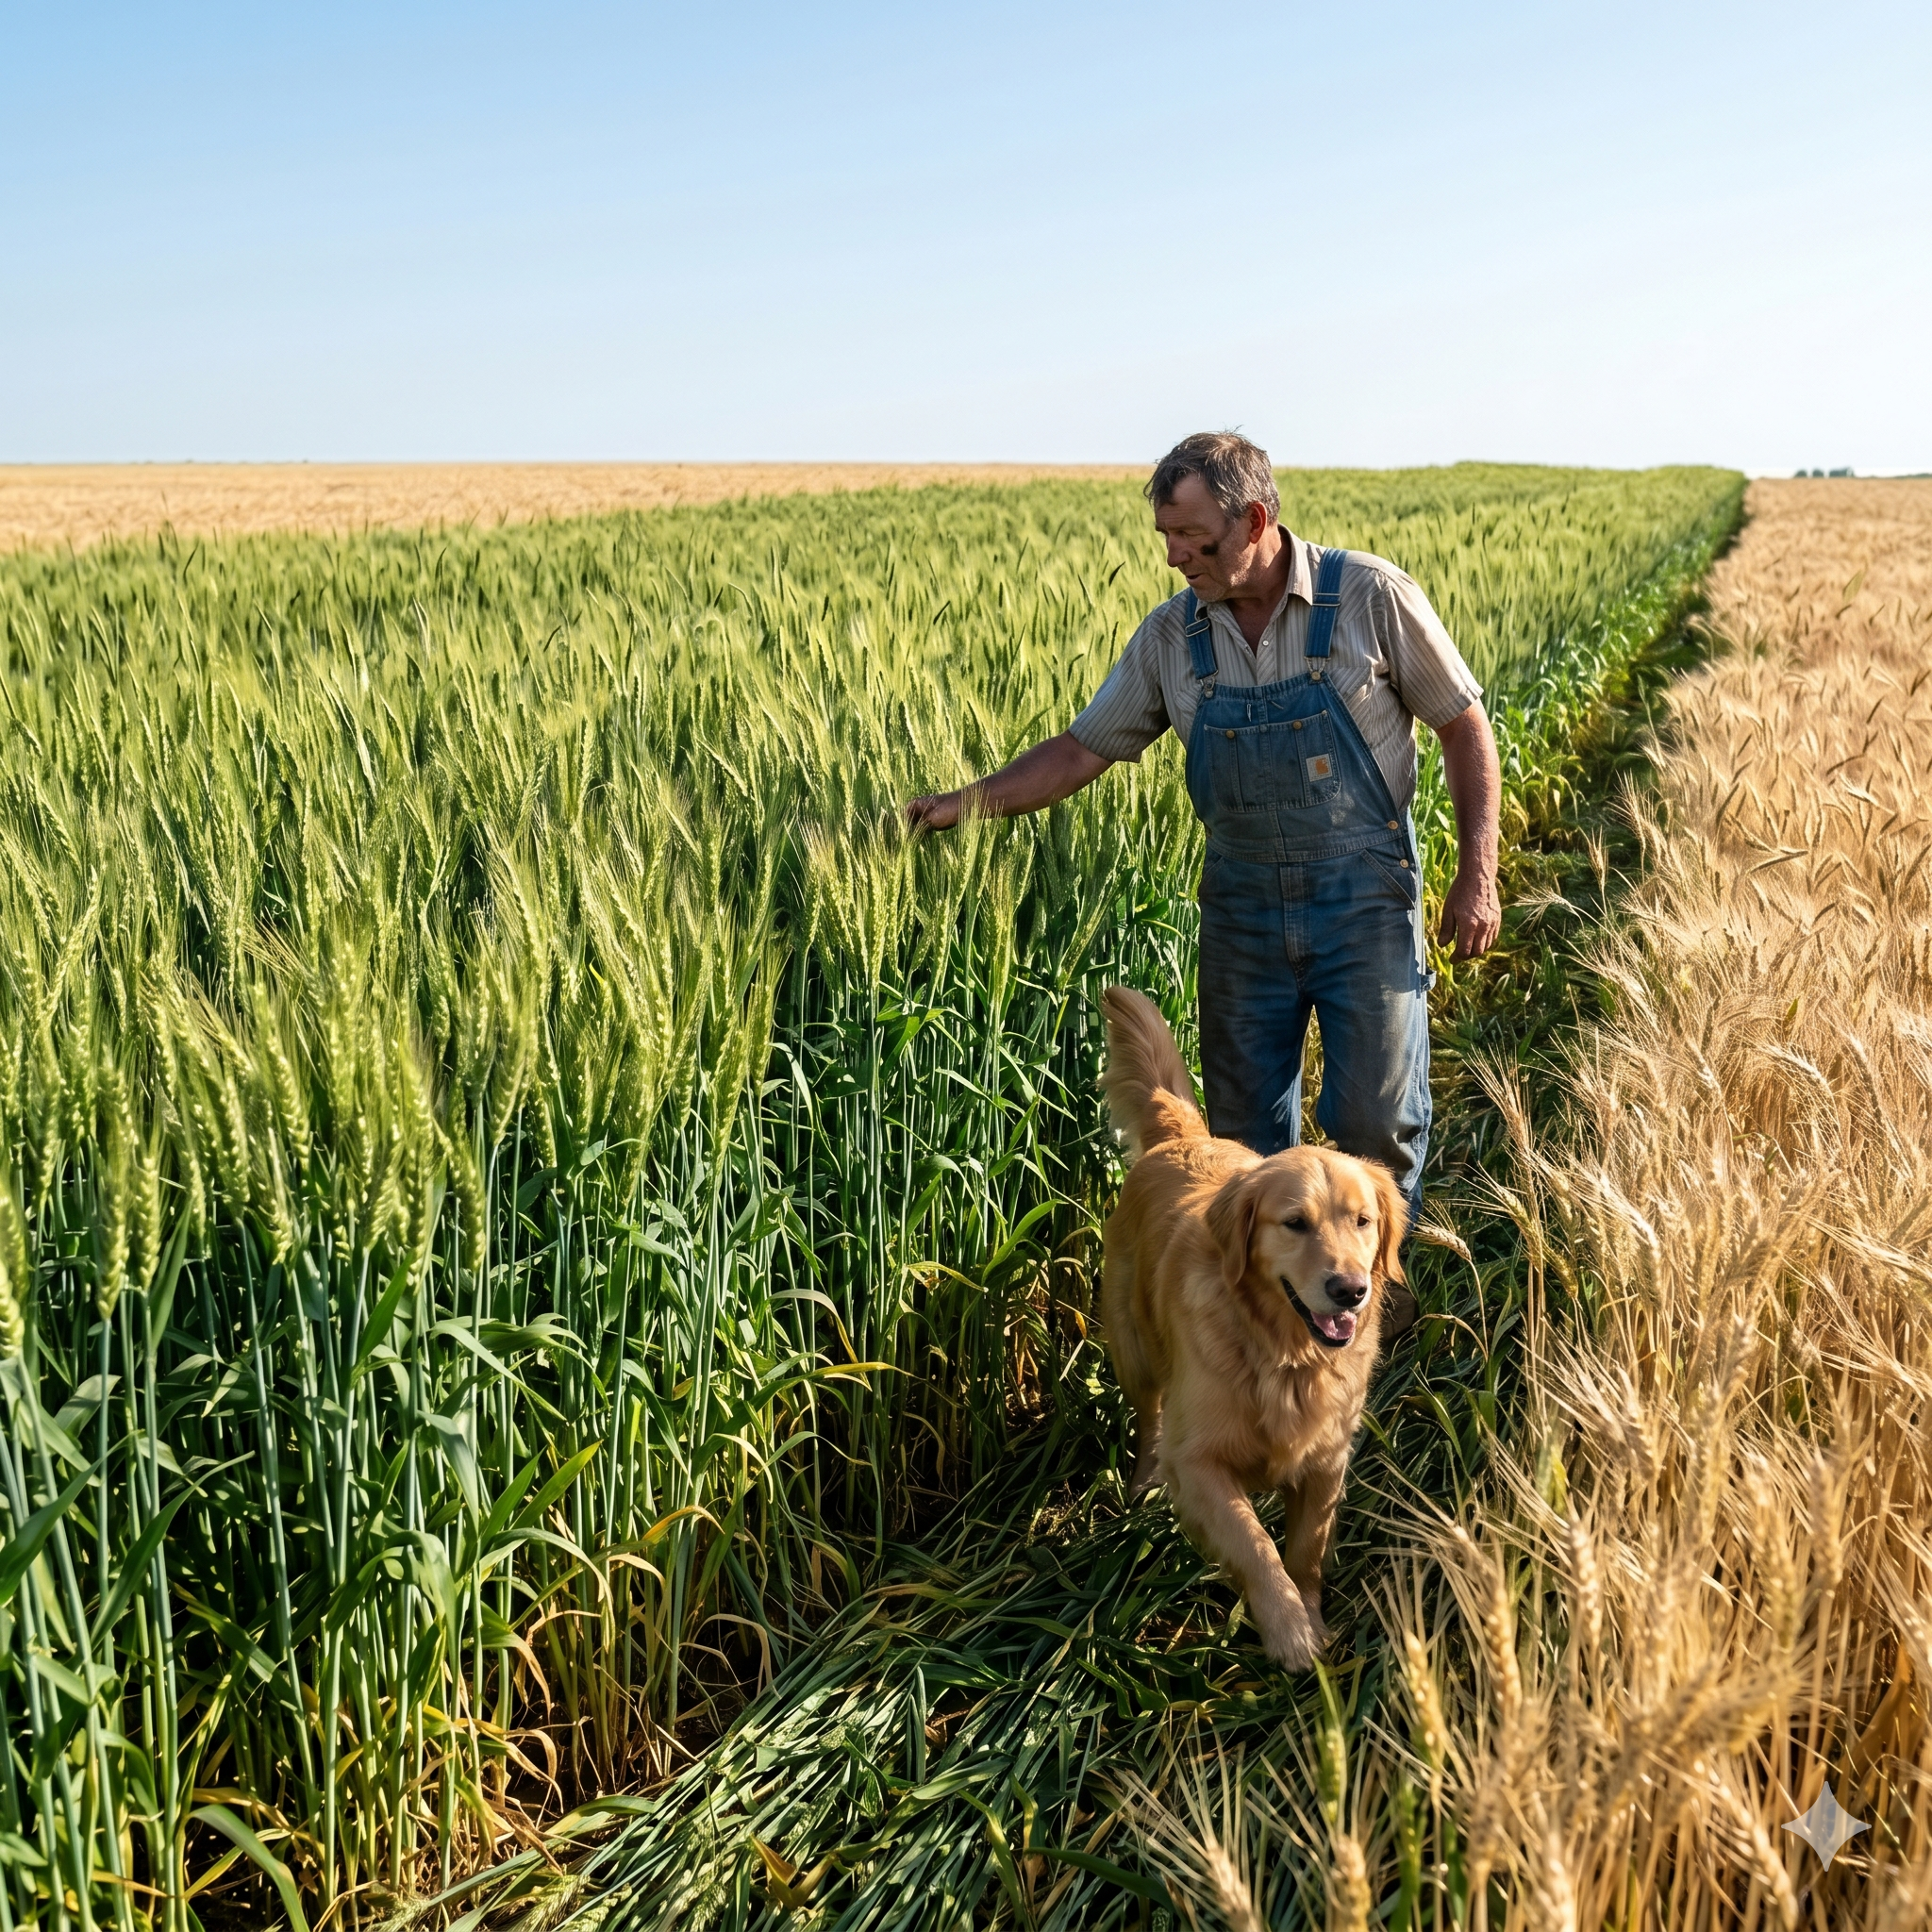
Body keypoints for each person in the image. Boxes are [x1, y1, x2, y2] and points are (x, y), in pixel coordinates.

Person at [905, 431, 1501, 1221]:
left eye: (1194, 537)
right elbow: (1083, 749)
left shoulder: (1369, 597)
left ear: (1254, 521)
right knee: (1242, 1144)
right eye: (1166, 536)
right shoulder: (1170, 636)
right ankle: (1252, 1331)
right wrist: (961, 804)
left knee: (1375, 1128)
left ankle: (1368, 1320)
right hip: (1241, 911)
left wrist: (1476, 874)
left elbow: (1464, 725)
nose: (1175, 556)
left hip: (1364, 901)